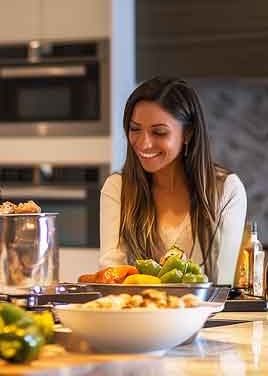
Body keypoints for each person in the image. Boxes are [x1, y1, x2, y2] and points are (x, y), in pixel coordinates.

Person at [99, 77, 247, 284]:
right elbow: (112, 274)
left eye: (159, 132)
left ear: (188, 133)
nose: (144, 143)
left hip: (205, 315)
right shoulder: (118, 188)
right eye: (135, 129)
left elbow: (222, 284)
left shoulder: (226, 190)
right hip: (134, 312)